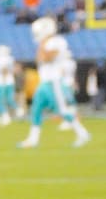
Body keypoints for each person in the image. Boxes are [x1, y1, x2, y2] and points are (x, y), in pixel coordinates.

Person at [18, 16, 89, 148]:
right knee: (36, 109)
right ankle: (33, 139)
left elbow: (47, 58)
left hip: (54, 81)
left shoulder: (58, 41)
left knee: (62, 110)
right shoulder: (45, 43)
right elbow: (39, 58)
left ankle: (82, 133)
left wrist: (43, 44)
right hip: (45, 81)